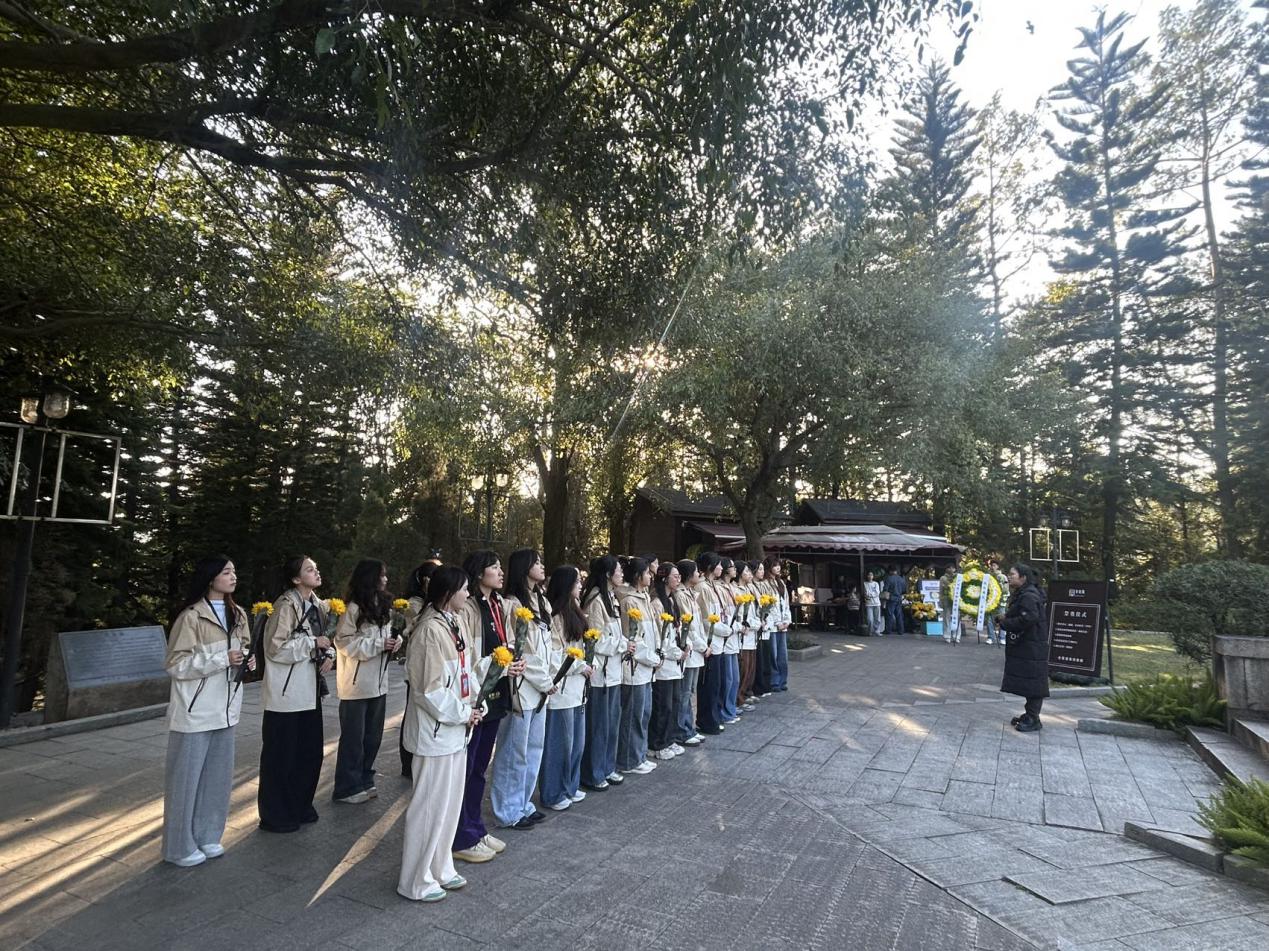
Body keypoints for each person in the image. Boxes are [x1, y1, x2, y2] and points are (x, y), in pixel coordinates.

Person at [162, 556, 252, 867]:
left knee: (217, 779)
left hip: (226, 709)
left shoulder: (239, 614)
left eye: (234, 571)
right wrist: (223, 659)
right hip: (195, 712)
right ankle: (178, 847)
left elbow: (241, 650)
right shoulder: (191, 617)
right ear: (211, 577)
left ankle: (208, 836)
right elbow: (175, 664)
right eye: (226, 571)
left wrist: (247, 660)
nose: (233, 576)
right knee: (185, 783)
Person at [398, 565, 481, 902]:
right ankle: (415, 880)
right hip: (435, 732)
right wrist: (463, 712)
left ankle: (441, 867)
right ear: (448, 592)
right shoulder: (429, 630)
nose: (468, 594)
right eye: (464, 589)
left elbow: (466, 671)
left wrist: (476, 702)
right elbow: (428, 690)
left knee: (448, 805)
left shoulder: (454, 621)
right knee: (429, 807)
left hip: (456, 730)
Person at [451, 551, 517, 863]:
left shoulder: (498, 603)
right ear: (479, 573)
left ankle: (476, 827)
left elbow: (506, 640)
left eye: (501, 567)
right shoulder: (469, 607)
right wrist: (499, 666)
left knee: (479, 767)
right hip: (477, 693)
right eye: (494, 567)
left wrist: (511, 660)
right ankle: (461, 836)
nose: (501, 572)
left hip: (497, 690)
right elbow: (469, 655)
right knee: (467, 767)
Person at [258, 555, 330, 833]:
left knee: (309, 753)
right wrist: (312, 643)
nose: (316, 572)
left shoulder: (319, 605)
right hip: (286, 694)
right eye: (309, 569)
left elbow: (325, 641)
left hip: (310, 692)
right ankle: (276, 814)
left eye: (316, 568)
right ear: (296, 578)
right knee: (281, 757)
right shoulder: (285, 606)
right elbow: (274, 649)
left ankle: (300, 806)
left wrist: (329, 654)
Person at [492, 548, 555, 829]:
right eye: (536, 562)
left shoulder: (541, 600)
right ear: (523, 567)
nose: (541, 566)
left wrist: (550, 679)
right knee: (513, 752)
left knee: (533, 749)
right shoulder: (512, 604)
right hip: (522, 687)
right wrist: (545, 681)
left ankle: (523, 803)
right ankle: (507, 810)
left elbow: (548, 645)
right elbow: (522, 651)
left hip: (542, 688)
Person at [332, 559, 401, 804]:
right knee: (354, 738)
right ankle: (346, 787)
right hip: (356, 684)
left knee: (373, 737)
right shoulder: (353, 608)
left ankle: (364, 778)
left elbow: (388, 636)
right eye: (381, 575)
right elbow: (343, 642)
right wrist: (378, 644)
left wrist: (396, 642)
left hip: (379, 683)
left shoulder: (384, 605)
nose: (385, 579)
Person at [541, 565, 592, 810]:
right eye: (577, 582)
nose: (580, 585)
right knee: (560, 744)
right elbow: (555, 657)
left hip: (578, 688)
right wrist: (579, 666)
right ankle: (553, 792)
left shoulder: (575, 610)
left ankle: (570, 786)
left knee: (576, 743)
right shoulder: (554, 617)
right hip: (562, 689)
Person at [580, 555, 626, 790]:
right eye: (619, 570)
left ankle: (607, 767)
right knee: (599, 726)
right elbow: (594, 640)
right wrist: (622, 644)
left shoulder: (611, 597)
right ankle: (594, 773)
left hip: (614, 672)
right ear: (608, 574)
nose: (622, 574)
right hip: (601, 675)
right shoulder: (596, 600)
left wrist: (622, 643)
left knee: (611, 724)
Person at [617, 556, 661, 774]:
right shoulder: (629, 601)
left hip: (647, 666)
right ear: (637, 576)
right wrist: (652, 658)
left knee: (644, 713)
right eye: (647, 573)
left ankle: (639, 755)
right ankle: (628, 760)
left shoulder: (644, 597)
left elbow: (653, 632)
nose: (650, 576)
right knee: (633, 715)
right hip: (635, 667)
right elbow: (632, 638)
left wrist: (657, 654)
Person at [998, 563, 1049, 732]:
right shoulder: (1024, 593)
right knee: (1029, 680)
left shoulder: (1029, 595)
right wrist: (1006, 617)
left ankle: (1034, 718)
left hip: (1032, 645)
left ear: (1023, 577)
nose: (1009, 576)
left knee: (1034, 681)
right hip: (1029, 644)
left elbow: (1029, 618)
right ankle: (1030, 714)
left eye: (1012, 574)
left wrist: (1006, 623)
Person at [399, 561, 439, 777]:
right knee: (413, 714)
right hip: (417, 666)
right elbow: (417, 623)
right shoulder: (414, 604)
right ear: (426, 580)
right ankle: (408, 762)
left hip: (430, 665)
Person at [647, 561, 686, 761]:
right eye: (675, 576)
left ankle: (669, 739)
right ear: (664, 578)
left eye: (679, 576)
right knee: (663, 706)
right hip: (665, 662)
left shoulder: (671, 601)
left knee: (674, 703)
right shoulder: (657, 603)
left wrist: (683, 647)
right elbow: (660, 638)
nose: (678, 579)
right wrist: (676, 652)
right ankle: (657, 744)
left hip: (675, 661)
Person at [671, 559, 708, 748]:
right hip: (690, 649)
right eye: (695, 571)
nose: (698, 574)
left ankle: (688, 727)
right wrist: (702, 646)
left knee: (690, 691)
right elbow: (689, 626)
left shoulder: (690, 593)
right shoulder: (681, 595)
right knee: (684, 693)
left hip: (697, 649)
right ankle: (682, 731)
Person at [693, 552, 729, 737]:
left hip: (719, 641)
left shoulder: (713, 585)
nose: (721, 568)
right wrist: (726, 630)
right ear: (709, 567)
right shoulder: (702, 587)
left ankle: (715, 716)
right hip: (711, 642)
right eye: (718, 564)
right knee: (709, 686)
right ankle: (707, 720)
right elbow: (707, 619)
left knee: (717, 684)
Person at [732, 561, 760, 713]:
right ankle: (739, 699)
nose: (750, 574)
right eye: (747, 571)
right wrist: (751, 624)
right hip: (743, 634)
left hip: (752, 633)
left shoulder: (749, 588)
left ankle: (744, 694)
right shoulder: (736, 590)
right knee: (743, 668)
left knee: (750, 668)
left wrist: (757, 622)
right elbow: (740, 614)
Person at [717, 557, 742, 721]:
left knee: (735, 678)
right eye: (732, 567)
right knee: (728, 679)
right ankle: (725, 711)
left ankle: (731, 708)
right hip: (726, 638)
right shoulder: (719, 588)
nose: (735, 569)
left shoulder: (732, 587)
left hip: (734, 636)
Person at [765, 556, 791, 693]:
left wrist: (787, 620)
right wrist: (777, 622)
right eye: (774, 565)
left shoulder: (781, 583)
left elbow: (785, 603)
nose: (778, 567)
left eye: (778, 565)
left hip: (783, 625)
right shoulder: (766, 584)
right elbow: (768, 607)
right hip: (773, 626)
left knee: (783, 656)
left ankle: (783, 681)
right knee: (773, 655)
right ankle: (774, 681)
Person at [986, 558, 1009, 647]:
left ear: (998, 566)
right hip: (990, 601)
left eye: (994, 565)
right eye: (991, 565)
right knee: (989, 619)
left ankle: (1002, 637)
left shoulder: (1002, 577)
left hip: (1000, 601)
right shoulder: (988, 576)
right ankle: (990, 637)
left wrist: (998, 588)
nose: (992, 567)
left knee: (1002, 619)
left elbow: (1006, 589)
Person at [939, 564, 960, 645]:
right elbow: (940, 590)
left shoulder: (958, 577)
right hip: (946, 599)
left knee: (956, 617)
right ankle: (947, 636)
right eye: (949, 568)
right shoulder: (943, 578)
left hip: (956, 600)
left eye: (953, 568)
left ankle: (956, 636)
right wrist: (940, 600)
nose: (951, 569)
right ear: (946, 569)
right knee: (946, 618)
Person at [882, 565, 907, 635]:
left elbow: (885, 589)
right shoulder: (901, 579)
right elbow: (904, 589)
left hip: (891, 598)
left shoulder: (889, 578)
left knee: (889, 614)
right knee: (899, 615)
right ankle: (901, 631)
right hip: (899, 598)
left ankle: (888, 630)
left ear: (890, 571)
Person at [862, 571, 882, 636]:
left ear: (873, 576)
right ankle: (870, 631)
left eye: (871, 575)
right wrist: (871, 594)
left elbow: (877, 593)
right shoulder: (865, 583)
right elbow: (866, 593)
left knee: (877, 619)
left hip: (877, 603)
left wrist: (870, 594)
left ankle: (877, 631)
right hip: (868, 603)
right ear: (867, 576)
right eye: (869, 575)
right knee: (870, 619)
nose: (870, 576)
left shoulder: (876, 583)